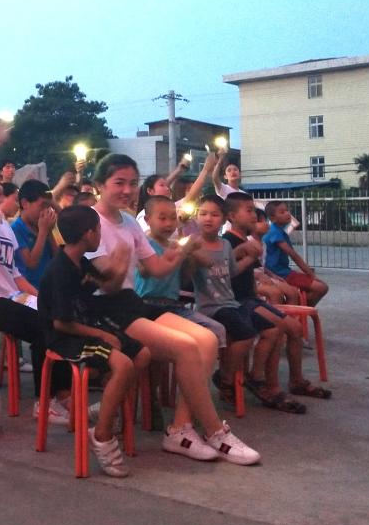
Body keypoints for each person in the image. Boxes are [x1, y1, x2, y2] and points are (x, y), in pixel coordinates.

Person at [85, 153, 260, 465]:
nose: (127, 190)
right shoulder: (88, 221)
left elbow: (156, 268)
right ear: (99, 184)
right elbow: (105, 284)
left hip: (130, 304)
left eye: (133, 183)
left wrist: (182, 250)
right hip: (101, 309)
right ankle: (215, 431)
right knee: (187, 347)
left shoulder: (129, 222)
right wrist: (121, 263)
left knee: (207, 339)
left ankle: (180, 428)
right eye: (119, 183)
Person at [0, 120, 72, 423]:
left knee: (59, 318)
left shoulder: (3, 227)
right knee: (42, 328)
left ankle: (63, 395)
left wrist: (43, 298)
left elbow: (17, 275)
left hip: (10, 296)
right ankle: (44, 402)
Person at [38, 205, 151, 478]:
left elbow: (107, 284)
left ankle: (106, 408)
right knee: (123, 364)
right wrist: (101, 334)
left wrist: (120, 264)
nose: (101, 234)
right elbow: (61, 323)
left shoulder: (81, 263)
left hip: (85, 329)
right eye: (99, 229)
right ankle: (101, 435)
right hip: (66, 338)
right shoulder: (61, 270)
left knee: (143, 354)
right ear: (89, 233)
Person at [188, 194, 301, 413]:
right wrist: (187, 255)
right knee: (248, 333)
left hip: (233, 302)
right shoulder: (196, 245)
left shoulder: (225, 245)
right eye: (203, 214)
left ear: (223, 219)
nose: (208, 218)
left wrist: (249, 258)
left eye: (214, 214)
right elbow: (188, 276)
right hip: (216, 307)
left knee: (274, 329)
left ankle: (256, 378)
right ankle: (228, 377)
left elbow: (231, 271)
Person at [223, 193, 330, 403]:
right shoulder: (228, 242)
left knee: (295, 329)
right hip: (238, 303)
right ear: (232, 216)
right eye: (248, 211)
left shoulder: (246, 240)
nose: (254, 215)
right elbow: (226, 272)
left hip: (250, 299)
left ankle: (296, 381)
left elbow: (252, 276)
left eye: (254, 211)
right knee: (276, 328)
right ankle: (264, 382)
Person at [135, 195, 227, 349]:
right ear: (147, 219)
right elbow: (146, 271)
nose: (169, 223)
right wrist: (183, 251)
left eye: (173, 218)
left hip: (173, 305)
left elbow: (205, 265)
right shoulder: (144, 244)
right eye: (162, 218)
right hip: (148, 305)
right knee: (207, 333)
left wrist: (190, 254)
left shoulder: (175, 245)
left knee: (216, 330)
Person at [263, 200, 329, 306]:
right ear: (272, 218)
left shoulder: (279, 231)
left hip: (284, 271)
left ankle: (299, 309)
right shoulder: (275, 232)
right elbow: (294, 255)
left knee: (317, 287)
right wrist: (311, 274)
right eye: (282, 212)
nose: (287, 213)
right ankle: (300, 309)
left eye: (287, 210)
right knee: (321, 287)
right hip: (280, 274)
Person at [10, 179, 58, 291]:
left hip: (49, 287)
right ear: (25, 203)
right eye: (42, 206)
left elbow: (57, 257)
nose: (46, 211)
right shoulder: (16, 229)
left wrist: (49, 232)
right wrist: (43, 232)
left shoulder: (44, 226)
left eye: (48, 207)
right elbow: (31, 263)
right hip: (29, 291)